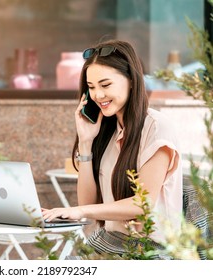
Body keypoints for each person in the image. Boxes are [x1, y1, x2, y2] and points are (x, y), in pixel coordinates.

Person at [42, 39, 183, 257]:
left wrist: (78, 211)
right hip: (113, 246)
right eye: (91, 87)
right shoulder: (107, 130)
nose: (98, 95)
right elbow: (88, 203)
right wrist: (86, 142)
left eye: (105, 85)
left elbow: (142, 204)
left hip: (152, 254)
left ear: (131, 81)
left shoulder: (157, 128)